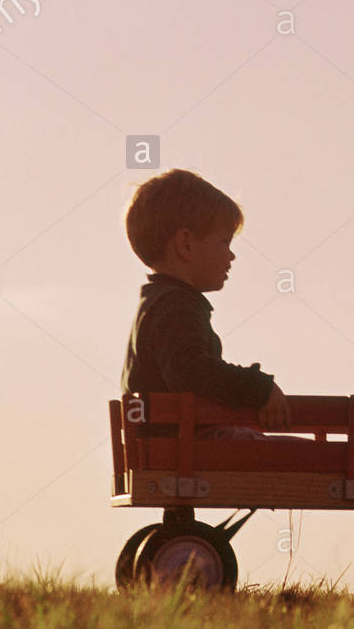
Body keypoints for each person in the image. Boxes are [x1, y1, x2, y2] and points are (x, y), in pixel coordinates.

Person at [120, 168, 318, 444]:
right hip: (187, 452)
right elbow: (192, 372)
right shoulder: (176, 305)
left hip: (167, 450)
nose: (232, 255)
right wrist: (260, 387)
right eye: (224, 241)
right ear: (186, 244)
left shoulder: (158, 303)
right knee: (311, 458)